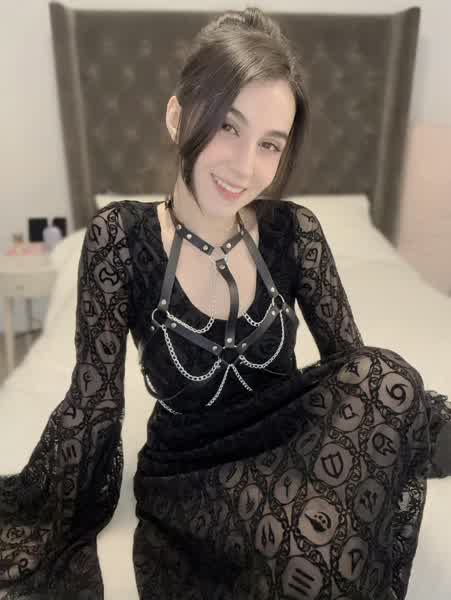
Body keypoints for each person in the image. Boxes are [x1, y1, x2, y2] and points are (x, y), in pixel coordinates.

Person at [1, 6, 450, 600]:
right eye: (228, 127)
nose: (244, 167)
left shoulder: (295, 231)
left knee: (387, 375)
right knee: (303, 556)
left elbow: (350, 369)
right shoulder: (120, 237)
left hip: (288, 436)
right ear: (178, 116)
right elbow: (95, 402)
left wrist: (414, 418)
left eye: (269, 144)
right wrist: (35, 513)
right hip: (194, 469)